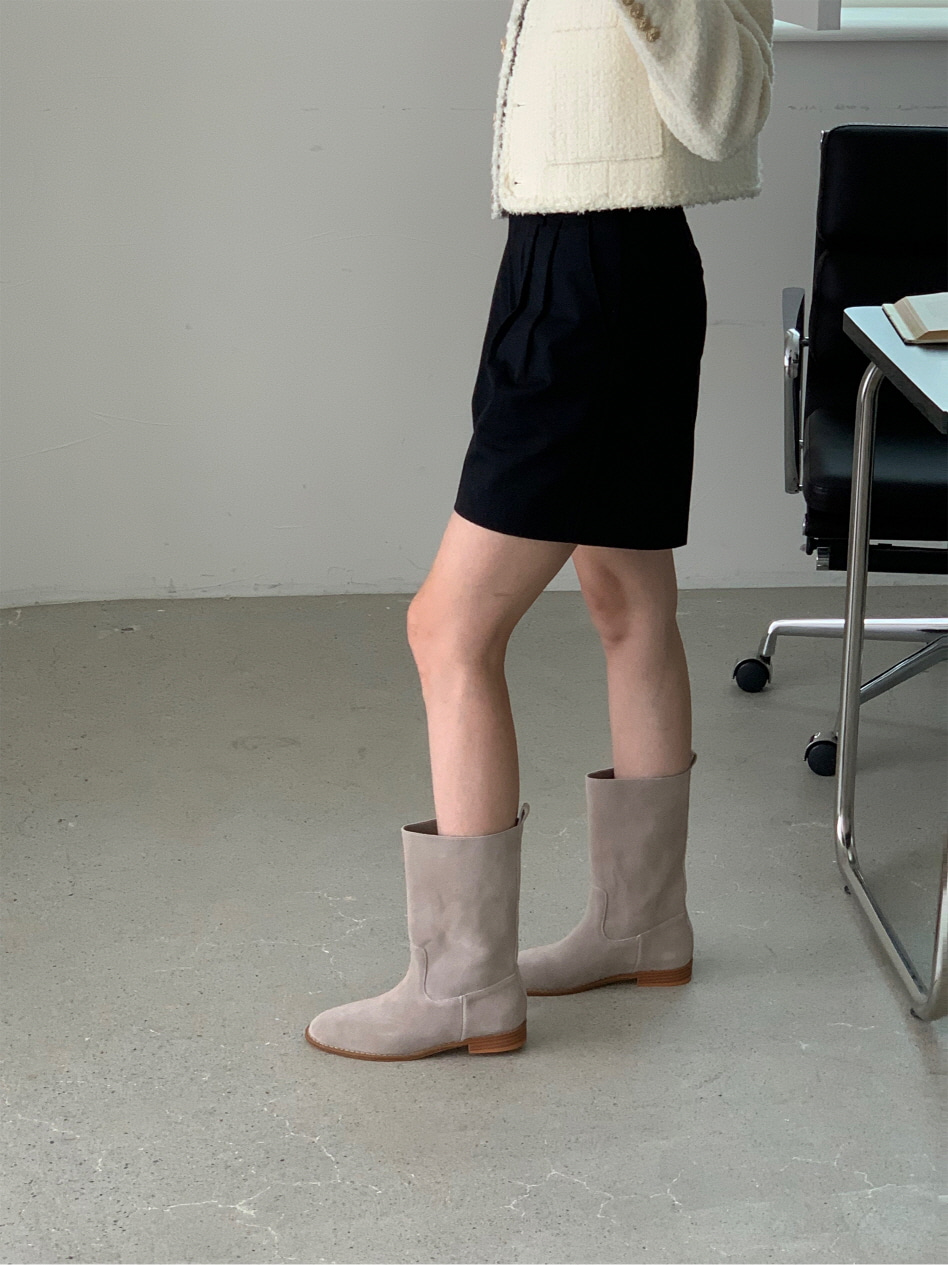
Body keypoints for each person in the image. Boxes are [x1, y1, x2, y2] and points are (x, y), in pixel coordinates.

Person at [306, 0, 775, 1060]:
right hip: (582, 253)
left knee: (449, 628)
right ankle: (644, 923)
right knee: (626, 599)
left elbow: (727, 110)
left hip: (595, 276)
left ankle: (466, 983)